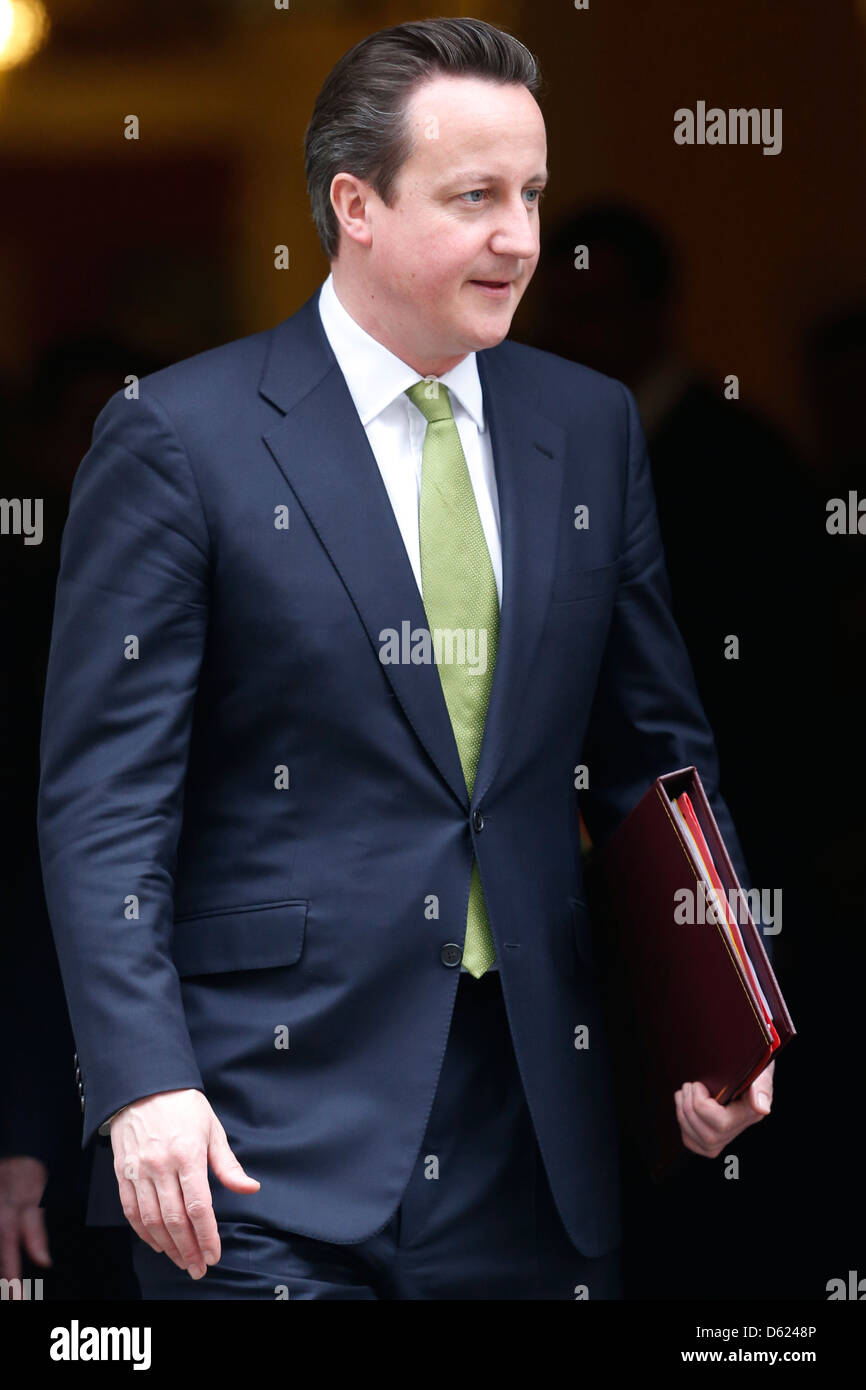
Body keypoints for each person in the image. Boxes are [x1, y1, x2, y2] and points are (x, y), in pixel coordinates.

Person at [36, 17, 774, 1302]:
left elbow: (652, 757)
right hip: (252, 1134)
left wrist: (718, 1008)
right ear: (354, 205)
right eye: (475, 196)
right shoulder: (178, 439)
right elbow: (105, 803)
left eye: (532, 194)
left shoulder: (586, 426)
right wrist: (142, 1080)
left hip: (536, 1121)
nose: (522, 237)